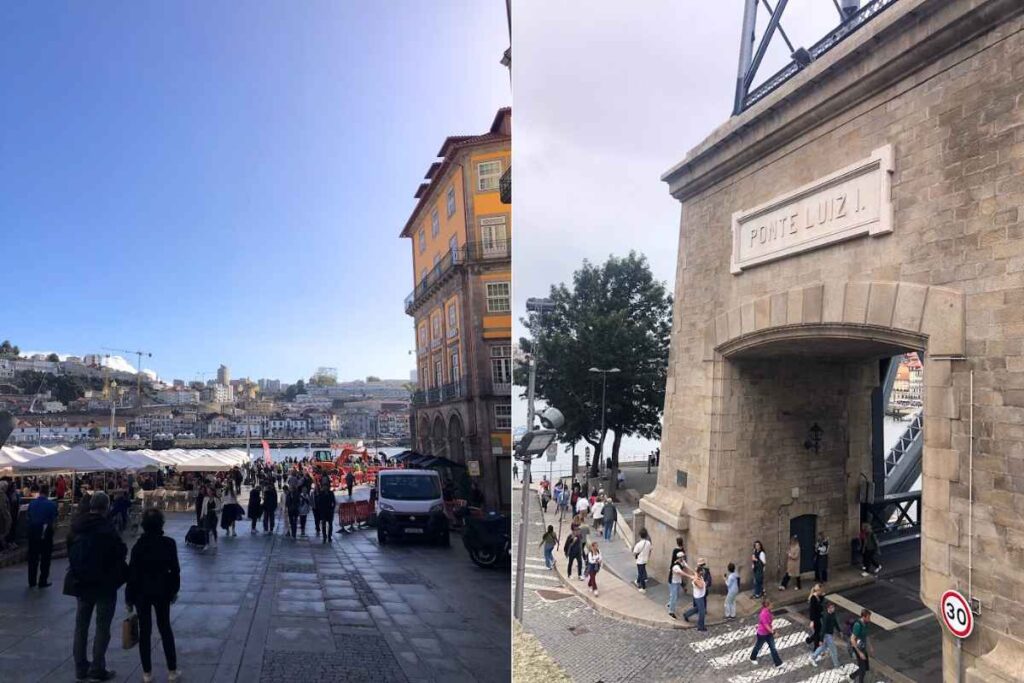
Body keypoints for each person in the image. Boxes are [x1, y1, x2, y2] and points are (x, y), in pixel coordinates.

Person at [68, 491, 128, 682]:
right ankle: (97, 667)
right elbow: (120, 552)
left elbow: (70, 551)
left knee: (81, 626)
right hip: (104, 585)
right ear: (107, 506)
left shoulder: (77, 526)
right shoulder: (108, 529)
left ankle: (80, 667)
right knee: (102, 627)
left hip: (81, 583)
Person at [125, 509, 180, 683]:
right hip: (163, 591)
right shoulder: (169, 543)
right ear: (161, 524)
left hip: (142, 592)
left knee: (145, 632)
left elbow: (132, 574)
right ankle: (172, 670)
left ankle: (147, 673)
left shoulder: (138, 546)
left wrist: (129, 598)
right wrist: (174, 591)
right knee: (165, 629)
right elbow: (175, 571)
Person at [27, 484, 58, 588]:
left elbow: (28, 517)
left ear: (39, 492)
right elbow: (54, 521)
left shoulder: (32, 503)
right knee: (45, 558)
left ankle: (31, 581)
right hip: (45, 533)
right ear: (48, 492)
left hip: (32, 533)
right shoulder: (52, 505)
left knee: (32, 558)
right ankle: (42, 581)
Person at [749, 598, 783, 668]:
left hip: (768, 633)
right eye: (771, 604)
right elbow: (766, 625)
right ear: (768, 605)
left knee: (773, 648)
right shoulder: (764, 613)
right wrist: (773, 632)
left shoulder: (768, 611)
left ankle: (778, 663)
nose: (773, 605)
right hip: (762, 634)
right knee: (758, 646)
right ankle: (752, 657)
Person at [809, 602, 841, 669]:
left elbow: (835, 622)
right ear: (828, 608)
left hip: (829, 634)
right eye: (832, 607)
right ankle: (837, 666)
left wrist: (839, 630)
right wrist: (821, 639)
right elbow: (823, 628)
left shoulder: (832, 614)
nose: (833, 609)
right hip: (827, 635)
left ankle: (812, 657)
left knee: (823, 647)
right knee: (833, 650)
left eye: (833, 607)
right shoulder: (826, 617)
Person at [682, 558, 708, 631]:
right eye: (701, 572)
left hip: (700, 596)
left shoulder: (697, 574)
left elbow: (694, 571)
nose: (703, 572)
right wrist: (704, 583)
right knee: (702, 612)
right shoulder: (696, 579)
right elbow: (701, 586)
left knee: (696, 609)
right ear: (699, 572)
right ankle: (700, 627)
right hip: (699, 597)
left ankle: (686, 614)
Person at [850, 609, 874, 682]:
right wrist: (859, 653)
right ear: (864, 617)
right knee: (863, 669)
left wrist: (870, 647)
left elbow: (866, 636)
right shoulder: (858, 625)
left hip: (862, 647)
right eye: (868, 617)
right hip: (858, 648)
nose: (869, 619)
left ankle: (852, 676)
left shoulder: (866, 623)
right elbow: (852, 639)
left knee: (866, 667)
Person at [633, 528, 652, 593]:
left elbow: (634, 553)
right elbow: (650, 550)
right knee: (642, 570)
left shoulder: (638, 544)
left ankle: (643, 587)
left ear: (640, 535)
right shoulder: (648, 543)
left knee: (641, 573)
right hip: (645, 559)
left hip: (640, 560)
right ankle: (638, 581)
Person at [667, 554, 686, 619]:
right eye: (682, 557)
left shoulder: (682, 562)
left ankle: (670, 603)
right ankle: (671, 612)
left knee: (678, 594)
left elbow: (687, 566)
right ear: (679, 558)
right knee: (674, 597)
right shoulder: (676, 566)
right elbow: (681, 573)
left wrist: (693, 572)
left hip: (678, 582)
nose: (683, 558)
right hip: (673, 582)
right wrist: (690, 576)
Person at [806, 584, 825, 649]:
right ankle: (816, 648)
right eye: (821, 591)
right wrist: (812, 621)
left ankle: (810, 640)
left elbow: (821, 603)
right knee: (817, 633)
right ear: (818, 590)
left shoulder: (818, 596)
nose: (822, 592)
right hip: (815, 618)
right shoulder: (813, 598)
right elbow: (812, 610)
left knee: (818, 631)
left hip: (819, 616)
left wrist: (822, 596)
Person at [0, 481, 12, 552]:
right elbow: (3, 507)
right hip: (2, 517)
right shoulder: (1, 495)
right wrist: (8, 517)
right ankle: (2, 548)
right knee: (3, 532)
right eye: (6, 486)